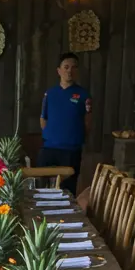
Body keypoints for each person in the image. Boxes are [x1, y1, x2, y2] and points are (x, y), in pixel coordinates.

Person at [38, 53, 92, 194]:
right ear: (59, 70)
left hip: (71, 150)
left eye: (73, 67)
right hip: (49, 148)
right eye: (66, 67)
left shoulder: (83, 95)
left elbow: (87, 121)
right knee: (42, 187)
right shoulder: (50, 94)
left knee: (67, 190)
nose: (69, 71)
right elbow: (43, 119)